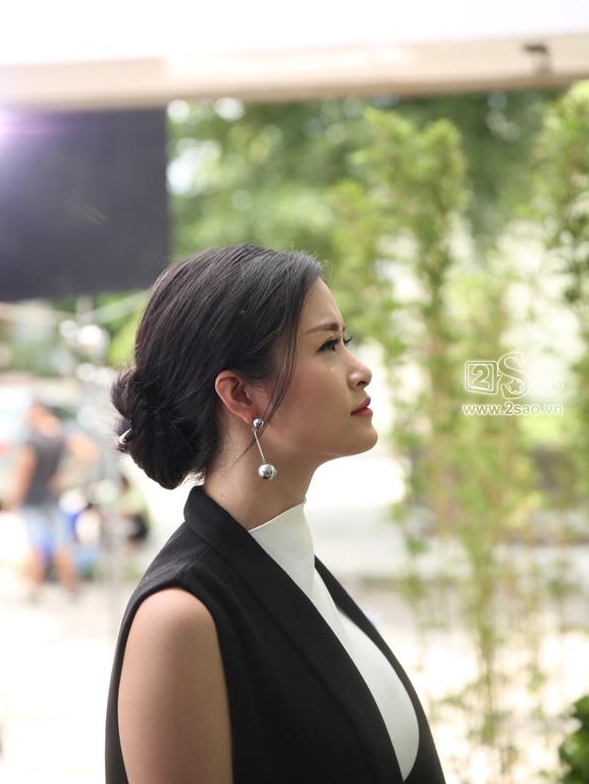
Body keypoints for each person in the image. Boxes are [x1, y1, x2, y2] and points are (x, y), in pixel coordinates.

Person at [105, 244, 446, 784]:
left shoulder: (295, 567)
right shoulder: (181, 619)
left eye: (346, 341)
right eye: (328, 345)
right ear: (240, 394)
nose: (361, 370)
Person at [2, 399, 97, 599]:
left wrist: (13, 499)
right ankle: (71, 588)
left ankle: (34, 589)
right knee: (60, 543)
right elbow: (88, 454)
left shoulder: (32, 439)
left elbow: (24, 472)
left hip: (33, 499)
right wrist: (63, 475)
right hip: (52, 497)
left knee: (37, 545)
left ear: (37, 412)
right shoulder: (61, 433)